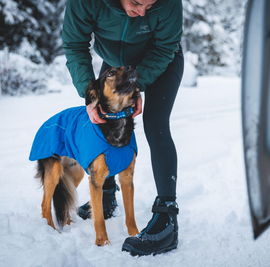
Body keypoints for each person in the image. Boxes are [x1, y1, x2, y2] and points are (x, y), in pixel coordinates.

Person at [61, 0, 184, 256]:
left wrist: (137, 87)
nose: (142, 12)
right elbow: (74, 45)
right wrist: (90, 94)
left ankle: (167, 220)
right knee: (103, 117)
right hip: (116, 65)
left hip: (160, 60)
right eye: (137, 2)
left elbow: (164, 48)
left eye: (150, 6)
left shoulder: (169, 3)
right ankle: (106, 195)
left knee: (155, 123)